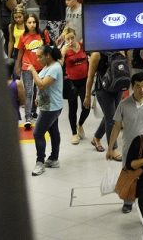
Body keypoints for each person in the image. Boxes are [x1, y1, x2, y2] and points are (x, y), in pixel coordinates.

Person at [108, 71, 143, 213]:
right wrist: (110, 148)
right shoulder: (124, 104)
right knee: (130, 174)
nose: (142, 89)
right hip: (130, 148)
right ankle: (128, 201)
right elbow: (117, 126)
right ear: (132, 87)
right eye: (138, 86)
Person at [26, 44, 64, 176]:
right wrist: (37, 97)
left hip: (51, 107)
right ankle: (54, 158)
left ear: (48, 56)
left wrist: (33, 71)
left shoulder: (55, 67)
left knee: (37, 133)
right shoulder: (48, 66)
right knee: (53, 131)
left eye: (39, 57)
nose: (37, 59)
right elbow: (42, 86)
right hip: (48, 105)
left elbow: (41, 85)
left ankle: (40, 162)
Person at [14, 13, 46, 127]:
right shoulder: (23, 37)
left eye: (34, 22)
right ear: (26, 23)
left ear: (36, 23)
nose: (32, 25)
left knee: (38, 90)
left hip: (41, 67)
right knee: (28, 92)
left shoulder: (42, 34)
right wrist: (17, 66)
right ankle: (27, 117)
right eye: (29, 22)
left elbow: (47, 48)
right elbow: (20, 52)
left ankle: (33, 111)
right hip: (27, 67)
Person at [61, 27, 90, 145]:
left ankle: (80, 124)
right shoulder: (65, 49)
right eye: (68, 39)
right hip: (71, 82)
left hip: (84, 81)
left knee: (86, 107)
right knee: (73, 108)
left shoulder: (83, 46)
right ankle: (74, 133)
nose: (71, 41)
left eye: (72, 37)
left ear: (75, 36)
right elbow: (59, 64)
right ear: (65, 39)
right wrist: (63, 52)